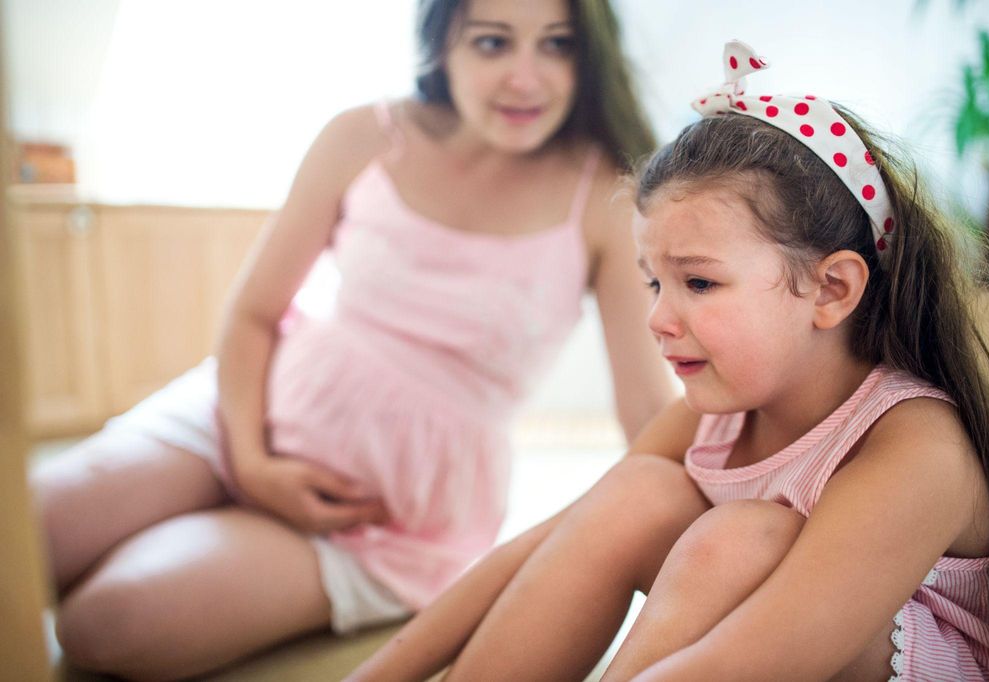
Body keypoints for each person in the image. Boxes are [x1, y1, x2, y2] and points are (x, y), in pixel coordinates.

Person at [31, 0, 677, 678]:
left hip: (382, 516)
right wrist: (250, 462)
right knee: (33, 534)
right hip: (238, 417)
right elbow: (253, 311)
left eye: (557, 45)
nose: (527, 77)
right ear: (441, 44)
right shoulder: (364, 135)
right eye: (492, 44)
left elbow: (645, 411)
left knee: (104, 623)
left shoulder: (605, 196)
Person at [347, 41, 989, 681]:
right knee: (637, 493)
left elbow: (750, 658)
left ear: (831, 289)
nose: (658, 319)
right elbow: (546, 546)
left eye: (698, 283)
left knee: (740, 539)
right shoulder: (716, 419)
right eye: (654, 282)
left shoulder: (918, 447)